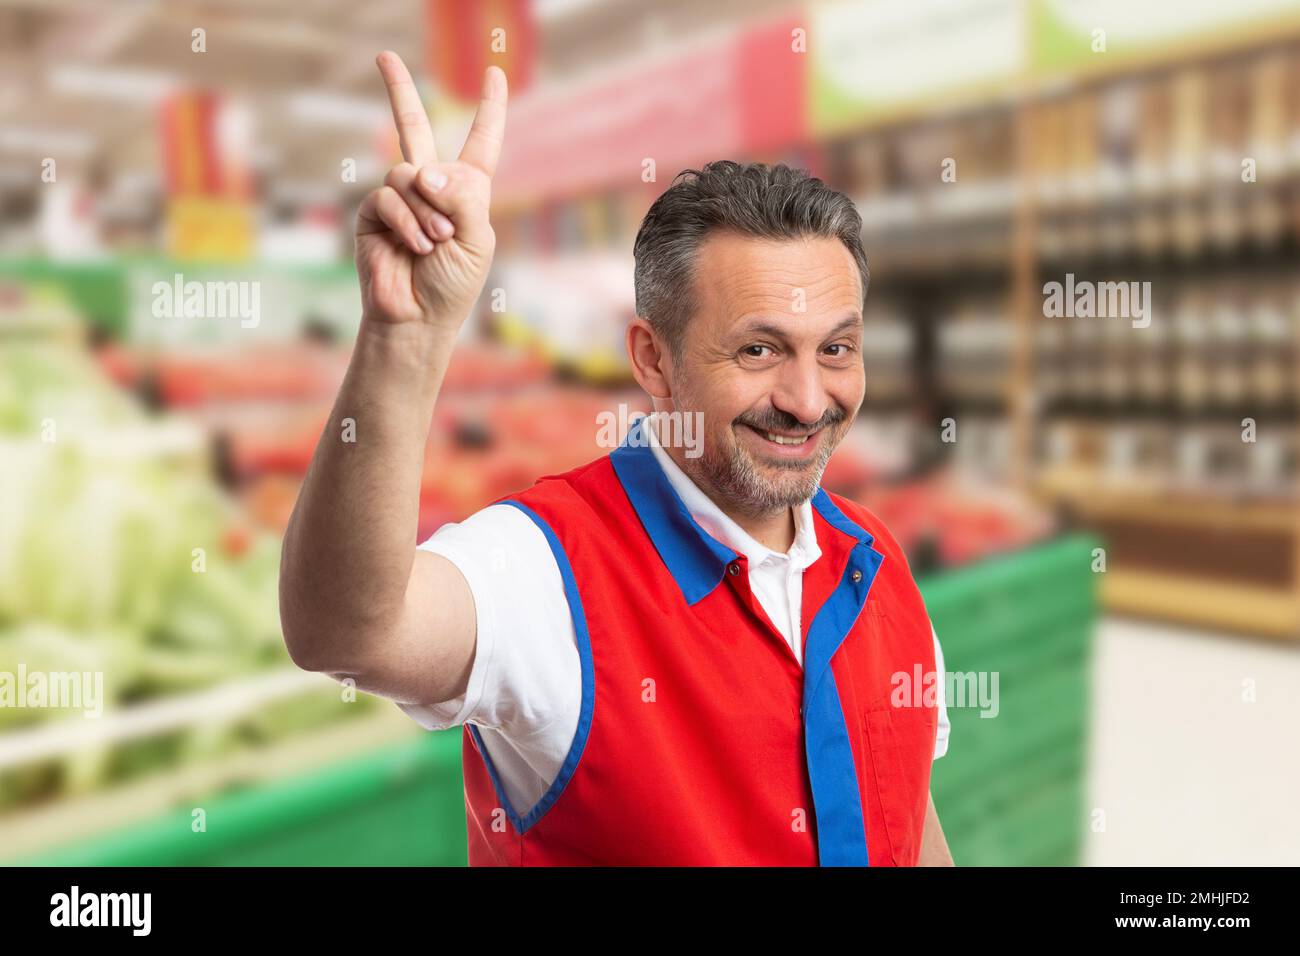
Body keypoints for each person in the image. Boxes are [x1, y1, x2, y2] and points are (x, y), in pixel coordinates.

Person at [280, 51, 954, 866]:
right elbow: (350, 634)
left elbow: (907, 824)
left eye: (837, 348)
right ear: (652, 358)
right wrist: (405, 340)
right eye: (759, 350)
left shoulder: (876, 567)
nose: (809, 400)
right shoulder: (547, 570)